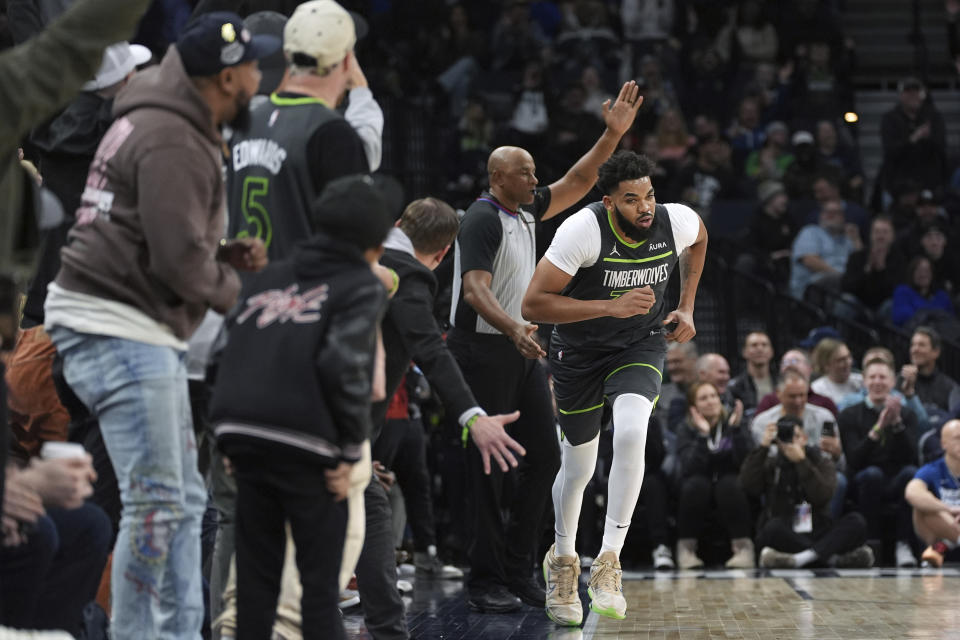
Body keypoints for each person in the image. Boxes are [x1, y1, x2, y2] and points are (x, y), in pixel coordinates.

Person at [45, 13, 277, 638]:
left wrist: (220, 254)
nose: (262, 78)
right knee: (155, 505)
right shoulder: (173, 136)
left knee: (183, 501)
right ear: (228, 77)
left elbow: (144, 230)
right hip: (118, 327)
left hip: (121, 322)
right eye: (256, 68)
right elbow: (175, 263)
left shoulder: (158, 118)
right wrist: (245, 300)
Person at [448, 80, 642, 614]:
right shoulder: (482, 218)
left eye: (534, 172)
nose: (535, 178)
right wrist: (513, 328)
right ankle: (484, 578)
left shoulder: (527, 208)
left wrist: (611, 134)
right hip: (482, 351)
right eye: (525, 172)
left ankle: (519, 568)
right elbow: (475, 289)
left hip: (519, 350)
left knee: (546, 459)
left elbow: (579, 180)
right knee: (489, 469)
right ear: (497, 178)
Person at [522, 150, 707, 623]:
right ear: (608, 203)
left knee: (630, 432)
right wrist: (609, 306)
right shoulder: (581, 231)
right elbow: (534, 304)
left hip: (639, 344)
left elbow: (701, 237)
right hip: (579, 354)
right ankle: (563, 560)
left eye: (648, 194)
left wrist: (685, 306)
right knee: (579, 466)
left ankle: (608, 560)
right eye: (631, 199)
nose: (645, 206)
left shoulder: (674, 221)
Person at [210, 175, 391, 640]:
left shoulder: (267, 276)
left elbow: (222, 352)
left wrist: (225, 434)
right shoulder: (358, 283)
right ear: (375, 243)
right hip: (307, 445)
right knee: (318, 591)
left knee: (254, 580)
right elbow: (344, 365)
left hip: (242, 432)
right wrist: (350, 452)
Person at [742, 416, 873, 569]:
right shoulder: (772, 462)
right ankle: (830, 558)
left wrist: (802, 463)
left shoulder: (820, 461)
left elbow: (822, 496)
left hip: (817, 526)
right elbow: (748, 485)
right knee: (771, 528)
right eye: (785, 436)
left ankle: (802, 559)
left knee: (857, 522)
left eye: (796, 436)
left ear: (804, 438)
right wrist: (763, 447)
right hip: (786, 529)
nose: (791, 441)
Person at [839, 358, 920, 567]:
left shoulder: (907, 414)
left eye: (883, 377)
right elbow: (854, 459)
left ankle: (903, 544)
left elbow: (912, 456)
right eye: (872, 377)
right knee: (872, 474)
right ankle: (870, 543)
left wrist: (896, 425)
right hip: (864, 479)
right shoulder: (849, 414)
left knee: (911, 474)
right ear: (864, 382)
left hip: (896, 479)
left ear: (892, 382)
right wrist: (878, 428)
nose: (877, 382)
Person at [673, 381, 753, 571]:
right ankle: (687, 550)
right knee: (696, 485)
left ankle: (743, 550)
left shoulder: (732, 423)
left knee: (731, 484)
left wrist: (736, 429)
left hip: (728, 482)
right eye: (703, 398)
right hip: (699, 482)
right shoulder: (686, 428)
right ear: (694, 406)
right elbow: (688, 467)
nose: (710, 401)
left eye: (713, 396)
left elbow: (745, 462)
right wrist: (703, 436)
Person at [905, 420, 960, 568]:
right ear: (943, 444)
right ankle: (945, 543)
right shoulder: (933, 469)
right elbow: (911, 492)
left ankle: (943, 546)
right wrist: (947, 509)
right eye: (957, 438)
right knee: (924, 508)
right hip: (941, 530)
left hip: (943, 544)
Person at [789, 198, 859, 300]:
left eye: (836, 213)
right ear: (821, 215)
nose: (830, 215)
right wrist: (842, 278)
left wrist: (856, 239)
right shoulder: (811, 232)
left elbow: (860, 263)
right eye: (827, 212)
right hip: (812, 292)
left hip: (840, 291)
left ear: (843, 217)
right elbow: (810, 261)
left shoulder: (847, 239)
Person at [905, 326, 960, 415]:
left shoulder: (949, 387)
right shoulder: (900, 381)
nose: (915, 349)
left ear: (936, 352)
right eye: (913, 345)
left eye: (921, 345)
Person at [729, 330, 776, 413]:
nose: (760, 349)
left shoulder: (780, 382)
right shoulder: (735, 386)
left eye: (764, 345)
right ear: (744, 352)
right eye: (754, 345)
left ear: (771, 351)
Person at [810, 338, 862, 407]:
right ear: (826, 365)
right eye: (841, 360)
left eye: (849, 357)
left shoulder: (862, 381)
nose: (848, 363)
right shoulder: (817, 390)